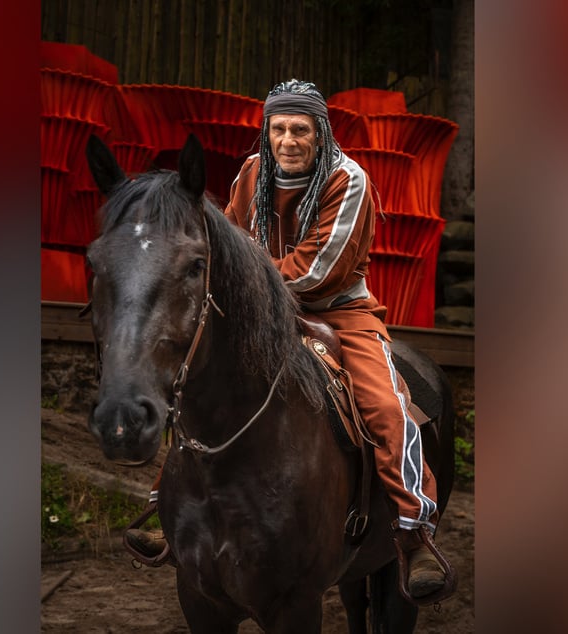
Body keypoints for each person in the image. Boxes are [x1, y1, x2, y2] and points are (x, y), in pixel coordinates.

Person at [126, 79, 449, 601]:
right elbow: (225, 241)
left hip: (336, 311)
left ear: (320, 134)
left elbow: (319, 270)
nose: (289, 139)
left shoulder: (350, 180)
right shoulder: (251, 173)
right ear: (267, 132)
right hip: (256, 311)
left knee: (388, 407)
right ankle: (167, 505)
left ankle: (414, 528)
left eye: (300, 129)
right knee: (195, 386)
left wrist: (245, 286)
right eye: (279, 128)